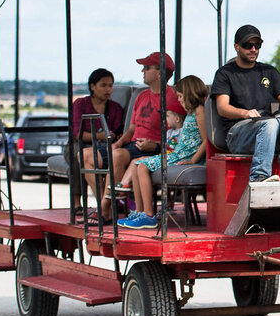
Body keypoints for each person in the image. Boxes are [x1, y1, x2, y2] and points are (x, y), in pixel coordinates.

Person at [119, 75, 209, 230]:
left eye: (180, 96)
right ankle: (139, 212)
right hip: (178, 154)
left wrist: (193, 160)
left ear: (190, 93)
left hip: (183, 156)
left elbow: (206, 140)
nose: (179, 100)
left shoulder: (200, 111)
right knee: (136, 164)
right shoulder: (192, 112)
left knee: (142, 166)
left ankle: (148, 215)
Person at [211, 24, 280, 182]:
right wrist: (244, 113)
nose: (253, 49)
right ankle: (259, 176)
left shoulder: (268, 71)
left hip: (265, 128)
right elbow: (222, 108)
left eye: (257, 45)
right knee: (270, 124)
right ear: (236, 47)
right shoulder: (225, 74)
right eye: (247, 45)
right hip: (237, 134)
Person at [104, 52, 179, 219]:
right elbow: (131, 130)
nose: (142, 71)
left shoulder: (172, 98)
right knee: (112, 153)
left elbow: (176, 134)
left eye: (146, 68)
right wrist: (117, 143)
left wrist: (154, 144)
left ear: (159, 73)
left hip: (155, 148)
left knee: (118, 156)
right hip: (134, 145)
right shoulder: (141, 96)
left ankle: (107, 207)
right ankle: (113, 204)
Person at [72, 68, 125, 215]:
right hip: (80, 143)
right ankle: (80, 202)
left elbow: (116, 132)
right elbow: (77, 134)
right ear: (92, 86)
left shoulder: (115, 108)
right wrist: (99, 136)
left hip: (104, 146)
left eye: (110, 85)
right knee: (78, 154)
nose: (108, 89)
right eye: (103, 85)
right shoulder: (80, 104)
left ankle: (104, 205)